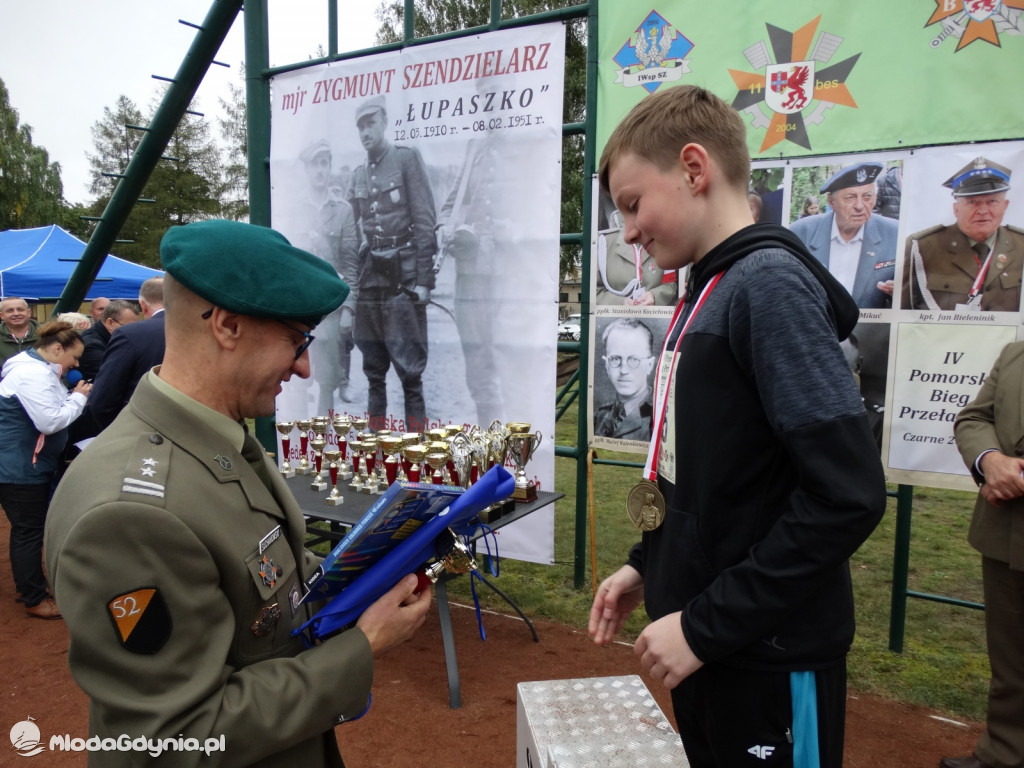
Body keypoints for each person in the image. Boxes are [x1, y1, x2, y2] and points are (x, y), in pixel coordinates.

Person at [44, 220, 431, 767]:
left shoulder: (220, 442)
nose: (304, 366)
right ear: (227, 326)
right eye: (296, 341)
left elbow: (270, 590)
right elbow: (177, 738)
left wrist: (371, 573)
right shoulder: (129, 514)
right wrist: (362, 647)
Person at [587, 85, 886, 768]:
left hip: (764, 657)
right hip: (709, 645)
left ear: (695, 169)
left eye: (632, 203)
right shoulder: (709, 288)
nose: (627, 231)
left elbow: (847, 495)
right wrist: (649, 565)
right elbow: (716, 475)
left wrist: (704, 625)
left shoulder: (767, 287)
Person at [947, 342, 1024, 768]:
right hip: (1007, 532)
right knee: (1011, 659)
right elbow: (975, 418)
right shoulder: (1016, 354)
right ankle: (1004, 754)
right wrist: (990, 460)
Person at [347, 95, 436, 433]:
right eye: (360, 126)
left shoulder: (405, 159)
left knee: (410, 373)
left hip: (404, 278)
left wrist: (424, 281)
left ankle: (418, 451)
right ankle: (376, 446)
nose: (365, 132)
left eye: (370, 123)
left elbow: (425, 221)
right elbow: (352, 233)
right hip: (371, 279)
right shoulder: (357, 176)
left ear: (384, 121)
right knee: (374, 372)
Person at [0, 320, 92, 619]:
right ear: (57, 349)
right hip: (20, 467)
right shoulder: (32, 374)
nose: (76, 364)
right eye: (74, 357)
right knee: (29, 531)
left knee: (26, 530)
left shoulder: (37, 369)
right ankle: (34, 597)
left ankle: (28, 587)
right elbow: (49, 421)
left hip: (24, 463)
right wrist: (79, 398)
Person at [902, 157, 1024, 313]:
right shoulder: (921, 248)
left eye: (992, 201)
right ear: (956, 209)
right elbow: (905, 311)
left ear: (1005, 206)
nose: (983, 211)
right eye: (973, 202)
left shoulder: (1021, 243)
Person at [290, 138, 359, 412]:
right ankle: (297, 433)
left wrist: (349, 309)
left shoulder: (343, 210)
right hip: (298, 308)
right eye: (315, 165)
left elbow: (351, 264)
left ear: (330, 167)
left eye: (324, 163)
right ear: (306, 169)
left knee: (328, 381)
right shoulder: (294, 209)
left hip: (331, 310)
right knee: (297, 378)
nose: (320, 170)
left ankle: (325, 434)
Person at [789, 161, 899, 309]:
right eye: (850, 198)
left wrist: (900, 292)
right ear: (831, 202)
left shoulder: (895, 233)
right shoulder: (800, 233)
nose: (860, 206)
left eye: (867, 196)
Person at [89, 277, 165, 430]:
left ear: (143, 306)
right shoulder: (207, 331)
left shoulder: (130, 334)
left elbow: (103, 399)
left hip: (138, 428)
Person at [593, 318, 655, 441]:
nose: (623, 370)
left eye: (634, 359)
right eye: (615, 359)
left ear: (650, 365)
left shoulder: (659, 417)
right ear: (606, 365)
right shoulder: (599, 416)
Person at [77, 299, 140, 381]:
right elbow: (113, 377)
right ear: (110, 322)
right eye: (129, 327)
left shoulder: (113, 338)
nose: (133, 332)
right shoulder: (92, 345)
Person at [0, 297, 40, 372]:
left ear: (29, 312)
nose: (16, 314)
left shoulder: (48, 334)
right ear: (1, 316)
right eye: (10, 311)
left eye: (20, 309)